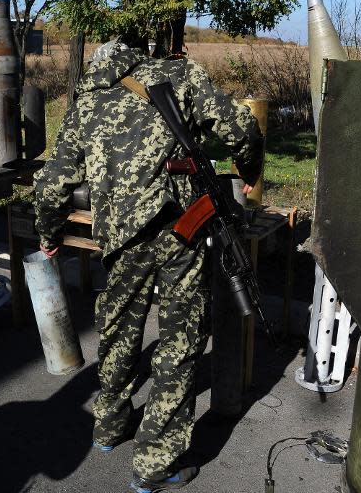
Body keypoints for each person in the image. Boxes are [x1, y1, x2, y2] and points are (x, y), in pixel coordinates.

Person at [33, 40, 263, 493]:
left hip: (121, 236)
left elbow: (53, 179)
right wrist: (250, 170)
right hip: (183, 229)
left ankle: (109, 425)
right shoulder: (180, 75)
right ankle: (156, 462)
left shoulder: (87, 100)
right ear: (138, 57)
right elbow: (242, 128)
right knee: (180, 339)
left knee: (118, 330)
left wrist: (48, 234)